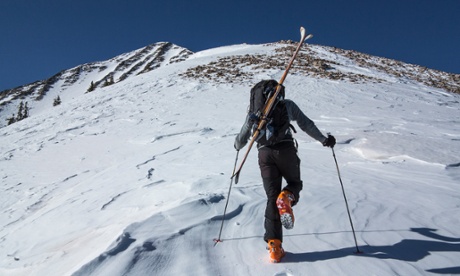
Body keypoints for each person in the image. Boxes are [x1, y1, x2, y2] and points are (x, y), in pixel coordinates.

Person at [234, 79, 336, 263]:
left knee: (271, 198)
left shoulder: (255, 112)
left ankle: (274, 246)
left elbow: (243, 135)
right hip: (286, 151)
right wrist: (323, 139)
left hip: (264, 154)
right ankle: (287, 196)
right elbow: (306, 124)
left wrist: (237, 145)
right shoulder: (287, 105)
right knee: (294, 183)